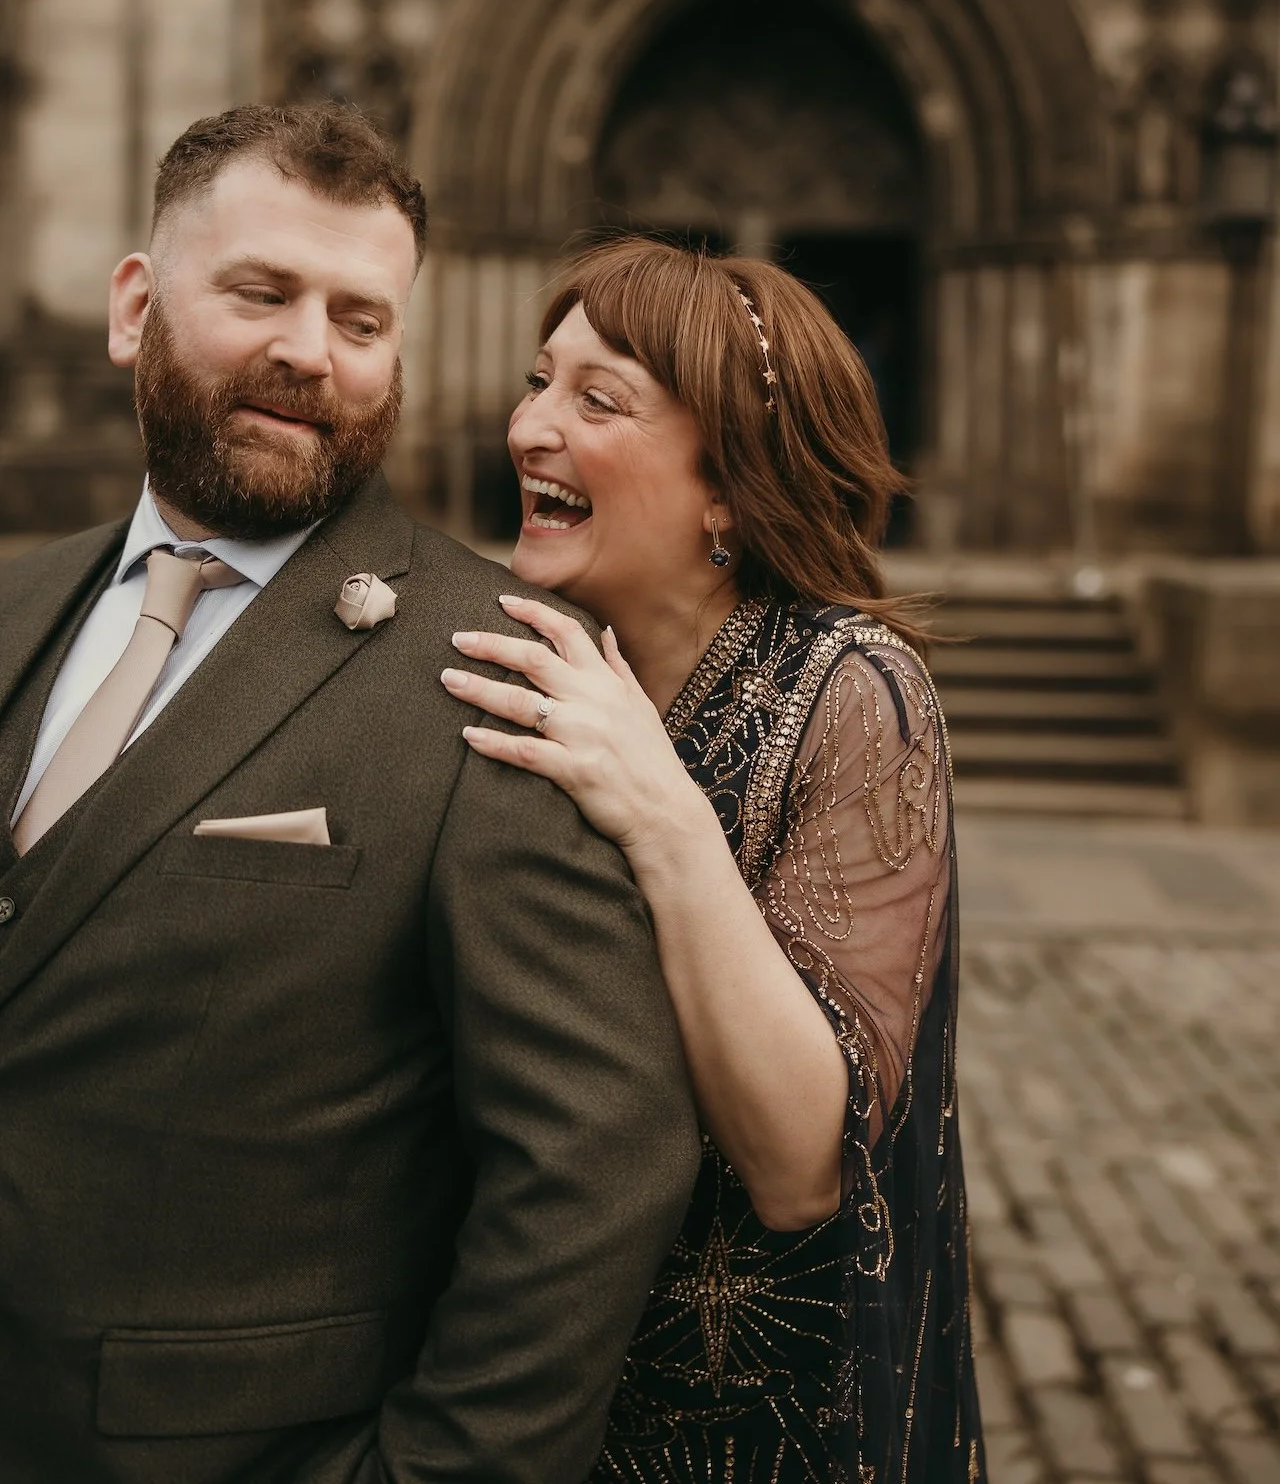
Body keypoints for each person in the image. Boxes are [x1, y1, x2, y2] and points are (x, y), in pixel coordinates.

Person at [0, 108, 701, 1484]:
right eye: (261, 293)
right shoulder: (18, 602)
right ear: (135, 309)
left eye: (360, 319)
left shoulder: (499, 666)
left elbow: (594, 1165)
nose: (310, 351)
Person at [442, 235, 986, 1482]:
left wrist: (667, 818)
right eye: (536, 381)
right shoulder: (530, 660)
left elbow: (801, 1162)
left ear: (729, 488)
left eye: (598, 400)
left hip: (750, 1421)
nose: (528, 428)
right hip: (520, 1389)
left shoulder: (853, 692)